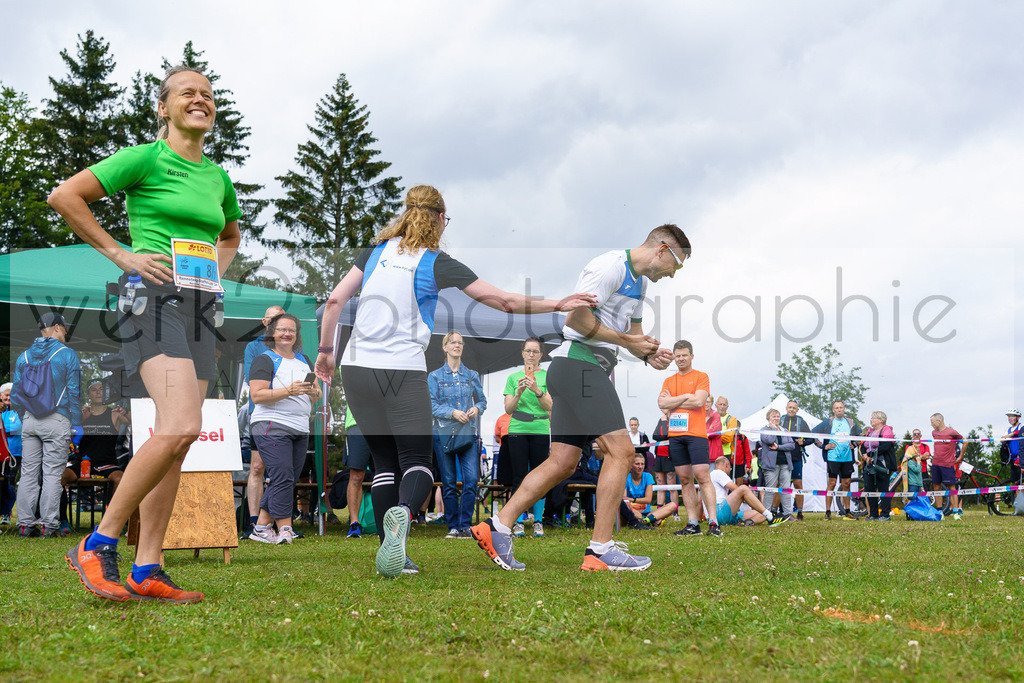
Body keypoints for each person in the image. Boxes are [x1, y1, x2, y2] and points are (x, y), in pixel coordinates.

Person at [315, 185, 595, 578]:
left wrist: (326, 350)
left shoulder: (375, 251)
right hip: (401, 368)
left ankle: (390, 555)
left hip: (357, 368)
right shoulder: (436, 261)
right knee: (419, 465)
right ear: (440, 220)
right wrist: (558, 303)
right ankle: (405, 516)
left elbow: (333, 302)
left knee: (383, 465)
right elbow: (504, 302)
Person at [50, 65, 241, 603]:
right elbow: (67, 196)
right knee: (181, 426)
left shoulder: (216, 177)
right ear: (164, 107)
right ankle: (98, 541)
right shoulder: (145, 158)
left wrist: (216, 272)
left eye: (207, 93)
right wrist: (121, 254)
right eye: (188, 93)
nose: (200, 99)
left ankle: (147, 568)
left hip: (203, 307)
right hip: (151, 299)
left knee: (176, 442)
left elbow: (229, 233)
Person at [472, 224, 686, 572]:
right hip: (578, 366)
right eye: (677, 264)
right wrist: (625, 342)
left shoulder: (641, 283)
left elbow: (631, 335)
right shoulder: (610, 267)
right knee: (622, 451)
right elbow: (576, 318)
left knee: (562, 463)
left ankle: (497, 527)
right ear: (662, 250)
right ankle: (600, 549)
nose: (674, 274)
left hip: (582, 369)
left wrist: (647, 353)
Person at [245, 314, 320, 544]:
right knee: (282, 474)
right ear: (272, 333)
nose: (287, 334)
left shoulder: (304, 360)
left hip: (299, 427)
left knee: (286, 477)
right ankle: (286, 528)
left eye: (292, 330)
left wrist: (311, 392)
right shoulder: (264, 360)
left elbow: (316, 395)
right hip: (271, 423)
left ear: (297, 335)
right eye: (282, 330)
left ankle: (260, 529)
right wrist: (289, 390)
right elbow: (257, 395)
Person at [12, 312, 83, 538]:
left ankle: (24, 525)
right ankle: (49, 525)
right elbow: (74, 392)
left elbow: (15, 395)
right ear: (55, 327)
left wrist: (26, 416)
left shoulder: (23, 357)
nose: (66, 332)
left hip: (30, 421)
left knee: (29, 474)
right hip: (57, 419)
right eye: (64, 327)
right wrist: (77, 424)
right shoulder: (67, 355)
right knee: (52, 474)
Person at [429, 330, 486, 539]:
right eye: (452, 342)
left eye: (460, 343)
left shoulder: (471, 375)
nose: (457, 345)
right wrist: (452, 412)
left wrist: (476, 409)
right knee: (449, 482)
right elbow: (432, 406)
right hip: (443, 433)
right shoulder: (434, 376)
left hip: (467, 433)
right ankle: (453, 526)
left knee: (471, 480)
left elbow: (482, 400)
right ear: (444, 347)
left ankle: (465, 526)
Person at [659, 340, 718, 537]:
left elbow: (700, 400)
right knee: (684, 480)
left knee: (703, 477)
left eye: (685, 355)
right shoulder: (669, 381)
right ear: (674, 358)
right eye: (678, 356)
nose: (681, 358)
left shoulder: (701, 376)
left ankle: (713, 522)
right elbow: (661, 404)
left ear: (692, 356)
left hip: (696, 435)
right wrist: (686, 397)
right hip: (675, 436)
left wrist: (675, 400)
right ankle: (692, 524)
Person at [60, 381, 131, 535]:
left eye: (102, 389)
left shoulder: (114, 413)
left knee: (120, 479)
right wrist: (81, 421)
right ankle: (62, 520)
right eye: (94, 390)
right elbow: (67, 435)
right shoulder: (82, 414)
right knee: (60, 477)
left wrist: (126, 413)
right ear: (89, 394)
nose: (98, 392)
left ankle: (113, 522)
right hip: (83, 463)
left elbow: (133, 422)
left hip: (107, 464)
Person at [241, 305, 285, 535]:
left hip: (286, 415)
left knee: (280, 469)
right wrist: (285, 387)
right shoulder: (253, 346)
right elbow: (254, 379)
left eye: (281, 318)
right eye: (273, 319)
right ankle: (254, 521)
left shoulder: (292, 347)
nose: (277, 322)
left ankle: (279, 524)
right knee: (258, 467)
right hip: (260, 413)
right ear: (265, 322)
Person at [503, 337, 552, 538]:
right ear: (522, 353)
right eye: (528, 351)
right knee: (519, 476)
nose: (531, 354)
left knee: (540, 477)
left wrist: (537, 390)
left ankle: (538, 521)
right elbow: (508, 409)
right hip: (518, 428)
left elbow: (550, 406)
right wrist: (519, 392)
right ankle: (519, 521)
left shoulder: (548, 377)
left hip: (540, 427)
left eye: (535, 351)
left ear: (541, 355)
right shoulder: (513, 377)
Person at [812, 400, 862, 521]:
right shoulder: (828, 422)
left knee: (846, 484)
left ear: (844, 409)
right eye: (837, 408)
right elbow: (812, 433)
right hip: (832, 458)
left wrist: (854, 444)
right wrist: (824, 446)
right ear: (833, 410)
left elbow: (861, 435)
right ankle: (828, 512)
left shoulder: (850, 422)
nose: (839, 410)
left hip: (847, 458)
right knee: (832, 483)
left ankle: (848, 511)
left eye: (841, 407)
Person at [708, 456, 776, 526]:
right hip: (719, 512)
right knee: (743, 488)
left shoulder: (710, 476)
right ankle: (771, 517)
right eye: (730, 468)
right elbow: (736, 489)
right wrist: (748, 496)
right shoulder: (719, 472)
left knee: (762, 512)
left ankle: (748, 523)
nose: (729, 471)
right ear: (727, 465)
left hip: (717, 514)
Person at [758, 409, 796, 522]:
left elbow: (791, 445)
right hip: (771, 465)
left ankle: (788, 514)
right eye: (773, 416)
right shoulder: (764, 430)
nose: (776, 418)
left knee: (786, 490)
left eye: (778, 416)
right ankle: (766, 514)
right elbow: (769, 440)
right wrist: (774, 429)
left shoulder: (785, 430)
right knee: (770, 490)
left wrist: (779, 447)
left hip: (785, 464)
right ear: (769, 418)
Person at [859, 411, 896, 521]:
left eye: (873, 418)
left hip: (882, 463)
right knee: (869, 488)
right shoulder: (870, 432)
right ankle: (873, 514)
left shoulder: (887, 430)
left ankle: (885, 514)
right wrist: (865, 456)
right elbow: (863, 445)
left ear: (881, 420)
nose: (871, 420)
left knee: (883, 488)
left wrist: (871, 454)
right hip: (869, 463)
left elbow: (887, 445)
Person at [622, 453, 677, 528]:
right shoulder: (625, 477)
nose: (640, 467)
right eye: (637, 464)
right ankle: (649, 520)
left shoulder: (648, 476)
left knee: (672, 505)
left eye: (642, 464)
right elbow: (624, 500)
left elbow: (648, 500)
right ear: (631, 465)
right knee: (624, 506)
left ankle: (644, 521)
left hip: (647, 513)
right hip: (633, 511)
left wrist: (631, 499)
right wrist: (628, 500)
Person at [780, 399, 811, 520]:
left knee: (798, 484)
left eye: (794, 408)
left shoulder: (801, 421)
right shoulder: (781, 419)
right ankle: (776, 511)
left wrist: (803, 442)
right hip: (782, 456)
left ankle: (800, 512)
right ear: (786, 408)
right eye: (790, 407)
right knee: (781, 484)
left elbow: (811, 438)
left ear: (797, 410)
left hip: (796, 457)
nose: (791, 409)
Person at [929, 413, 964, 520]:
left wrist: (960, 457)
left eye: (932, 422)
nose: (931, 424)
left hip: (948, 464)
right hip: (935, 463)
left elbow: (965, 442)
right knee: (936, 487)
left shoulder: (951, 432)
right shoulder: (934, 433)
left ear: (939, 421)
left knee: (952, 488)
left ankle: (956, 513)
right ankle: (940, 512)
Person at [650, 408, 679, 517]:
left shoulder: (674, 422)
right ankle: (659, 511)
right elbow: (655, 436)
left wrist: (664, 421)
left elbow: (667, 435)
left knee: (672, 487)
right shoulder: (661, 420)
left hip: (669, 458)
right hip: (659, 457)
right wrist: (662, 421)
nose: (664, 411)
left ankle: (675, 513)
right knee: (660, 486)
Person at [1, 382, 22, 526]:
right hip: (1, 454)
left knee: (9, 483)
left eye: (11, 395)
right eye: (6, 395)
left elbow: (16, 427)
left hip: (14, 454)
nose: (9, 398)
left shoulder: (18, 410)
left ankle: (7, 513)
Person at [716, 396, 740, 470]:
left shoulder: (732, 419)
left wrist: (715, 436)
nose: (722, 407)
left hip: (726, 454)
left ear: (727, 406)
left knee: (724, 479)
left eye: (724, 404)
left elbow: (728, 438)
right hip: (712, 453)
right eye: (720, 404)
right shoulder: (711, 418)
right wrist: (722, 434)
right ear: (716, 405)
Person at [1000, 409, 1022, 485]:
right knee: (1015, 483)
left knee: (1022, 483)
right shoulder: (1009, 429)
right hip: (1012, 459)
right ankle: (1016, 497)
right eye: (1009, 416)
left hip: (1020, 458)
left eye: (1012, 416)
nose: (1010, 418)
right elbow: (1002, 440)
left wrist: (1020, 457)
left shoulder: (1021, 426)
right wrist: (1013, 433)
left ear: (1018, 418)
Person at [705, 396, 723, 462]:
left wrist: (700, 432)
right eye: (704, 402)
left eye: (708, 402)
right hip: (702, 454)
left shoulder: (716, 416)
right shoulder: (698, 416)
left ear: (712, 403)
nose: (706, 404)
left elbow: (713, 433)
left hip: (714, 456)